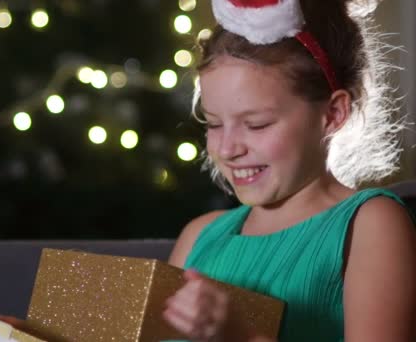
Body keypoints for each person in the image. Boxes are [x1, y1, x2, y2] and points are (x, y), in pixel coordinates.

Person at [162, 0, 416, 341]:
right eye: (213, 123)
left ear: (334, 113)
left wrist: (238, 337)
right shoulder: (198, 237)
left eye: (257, 124)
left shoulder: (368, 225)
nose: (227, 149)